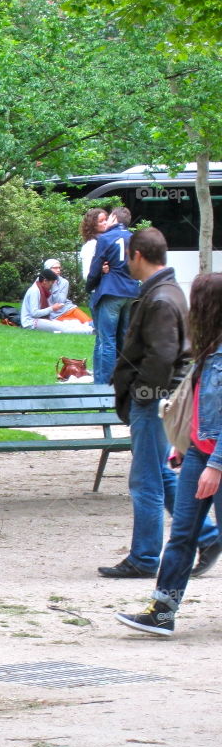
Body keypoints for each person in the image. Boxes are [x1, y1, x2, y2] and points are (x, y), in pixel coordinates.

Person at [99, 227, 221, 579]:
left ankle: (144, 557)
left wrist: (141, 394)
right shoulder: (163, 292)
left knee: (145, 481)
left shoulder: (161, 298)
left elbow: (162, 355)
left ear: (137, 255)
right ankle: (210, 537)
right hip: (156, 398)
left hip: (153, 401)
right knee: (160, 474)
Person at [117, 271, 222, 635]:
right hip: (198, 452)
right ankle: (162, 610)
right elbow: (202, 409)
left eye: (198, 301)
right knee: (182, 535)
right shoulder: (210, 349)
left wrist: (216, 464)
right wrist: (186, 446)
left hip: (216, 459)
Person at [86, 206, 139, 384]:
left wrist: (90, 286)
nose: (107, 221)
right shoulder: (135, 239)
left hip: (111, 292)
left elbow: (95, 268)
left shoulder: (106, 238)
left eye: (109, 218)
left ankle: (103, 385)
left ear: (115, 218)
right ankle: (123, 382)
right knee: (124, 338)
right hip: (131, 292)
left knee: (106, 340)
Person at [20, 268, 94, 333]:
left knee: (63, 324)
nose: (52, 285)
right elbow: (34, 313)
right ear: (45, 281)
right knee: (62, 328)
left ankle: (88, 326)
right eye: (51, 282)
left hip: (38, 320)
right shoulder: (35, 291)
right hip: (31, 322)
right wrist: (52, 308)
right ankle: (91, 331)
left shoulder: (39, 289)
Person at [43, 258, 92, 326]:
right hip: (54, 314)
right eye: (55, 268)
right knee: (78, 326)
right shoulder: (41, 281)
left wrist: (54, 284)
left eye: (59, 268)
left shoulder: (64, 282)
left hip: (69, 308)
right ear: (47, 269)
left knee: (89, 322)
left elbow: (60, 301)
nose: (58, 270)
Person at [79, 208, 116, 282]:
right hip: (99, 290)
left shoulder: (112, 240)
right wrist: (101, 270)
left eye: (106, 220)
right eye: (101, 221)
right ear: (93, 225)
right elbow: (87, 275)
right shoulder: (91, 245)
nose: (105, 223)